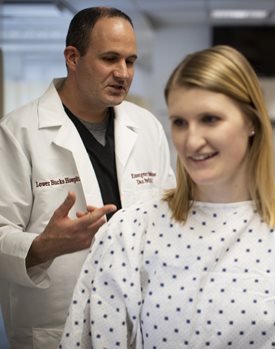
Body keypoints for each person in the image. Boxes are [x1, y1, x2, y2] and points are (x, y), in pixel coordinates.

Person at [59, 45, 275, 348]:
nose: (192, 141)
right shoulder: (129, 232)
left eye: (210, 119)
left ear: (251, 122)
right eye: (179, 122)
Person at [0, 7, 175, 349]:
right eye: (110, 58)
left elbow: (168, 215)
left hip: (138, 320)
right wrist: (45, 246)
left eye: (130, 61)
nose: (123, 73)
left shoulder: (147, 127)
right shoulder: (18, 132)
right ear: (72, 57)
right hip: (55, 326)